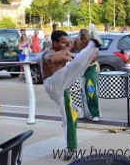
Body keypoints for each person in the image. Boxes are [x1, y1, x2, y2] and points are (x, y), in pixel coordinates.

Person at [42, 24, 102, 154]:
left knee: (70, 116)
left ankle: (71, 149)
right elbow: (52, 59)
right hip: (52, 84)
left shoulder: (63, 51)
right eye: (63, 43)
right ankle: (94, 44)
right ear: (55, 43)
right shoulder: (48, 52)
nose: (66, 45)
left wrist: (69, 58)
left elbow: (75, 58)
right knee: (73, 67)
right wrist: (69, 48)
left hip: (61, 88)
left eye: (67, 43)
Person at [70, 29, 101, 122]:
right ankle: (84, 113)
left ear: (88, 36)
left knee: (90, 90)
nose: (83, 41)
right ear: (79, 36)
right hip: (81, 68)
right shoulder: (76, 40)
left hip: (91, 67)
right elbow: (69, 50)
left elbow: (94, 58)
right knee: (80, 91)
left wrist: (76, 56)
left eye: (85, 39)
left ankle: (95, 114)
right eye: (82, 39)